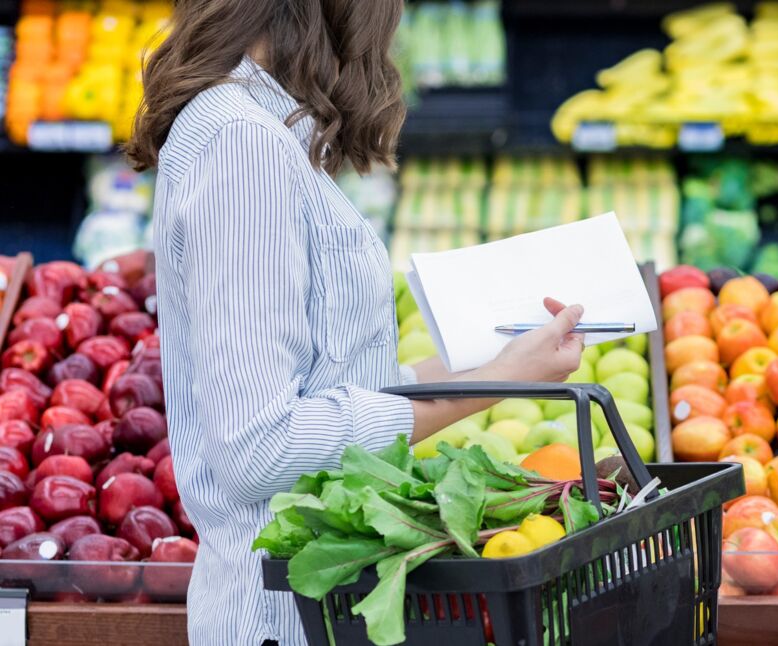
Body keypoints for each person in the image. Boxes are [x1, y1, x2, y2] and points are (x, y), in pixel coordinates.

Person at [125, 2, 584, 644]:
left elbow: (329, 387)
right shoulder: (242, 143)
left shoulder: (258, 128)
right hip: (282, 619)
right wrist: (489, 386)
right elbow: (260, 446)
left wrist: (499, 366)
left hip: (319, 610)